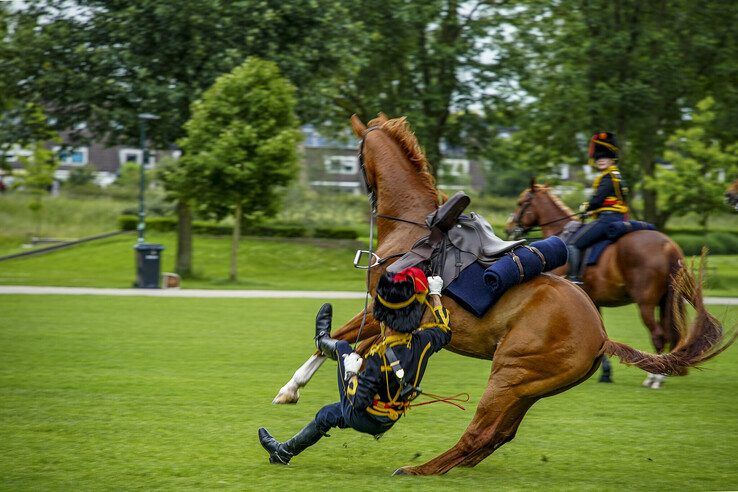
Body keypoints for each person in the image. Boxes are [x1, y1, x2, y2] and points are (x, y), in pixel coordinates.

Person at [258, 267, 451, 465]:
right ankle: (282, 453)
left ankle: (322, 341)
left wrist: (350, 372)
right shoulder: (423, 342)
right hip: (389, 419)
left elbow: (358, 401)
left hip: (365, 416)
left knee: (342, 346)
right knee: (327, 415)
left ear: (386, 320)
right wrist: (435, 294)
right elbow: (444, 330)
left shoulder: (379, 356)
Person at [567, 131, 629, 284]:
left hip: (607, 219)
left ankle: (574, 279)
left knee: (572, 244)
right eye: (598, 157)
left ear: (612, 158)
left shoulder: (609, 176)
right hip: (613, 216)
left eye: (605, 157)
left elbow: (598, 199)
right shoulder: (615, 175)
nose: (601, 160)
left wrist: (586, 207)